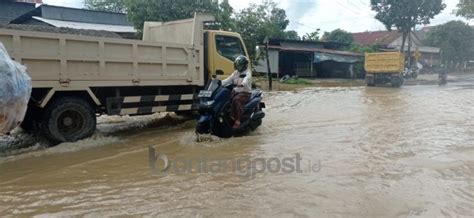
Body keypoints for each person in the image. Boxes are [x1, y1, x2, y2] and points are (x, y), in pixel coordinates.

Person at [222, 55, 252, 129]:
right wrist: (219, 82)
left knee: (236, 100)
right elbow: (228, 79)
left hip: (245, 93)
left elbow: (246, 79)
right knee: (225, 98)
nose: (238, 67)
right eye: (237, 65)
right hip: (235, 91)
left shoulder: (248, 72)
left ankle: (237, 121)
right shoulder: (236, 72)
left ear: (244, 65)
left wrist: (242, 83)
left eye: (240, 65)